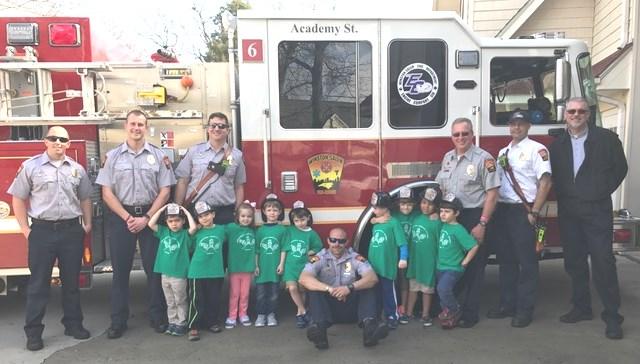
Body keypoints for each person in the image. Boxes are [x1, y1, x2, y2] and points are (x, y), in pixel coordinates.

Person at [549, 97, 628, 339]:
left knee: (603, 262)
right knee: (574, 262)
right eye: (571, 111)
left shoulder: (606, 139)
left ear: (588, 114)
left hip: (596, 209)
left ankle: (612, 316)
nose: (576, 115)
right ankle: (581, 308)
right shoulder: (557, 145)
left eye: (581, 111)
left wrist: (600, 191)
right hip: (569, 211)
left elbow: (620, 168)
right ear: (565, 115)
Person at [8, 126, 93, 351]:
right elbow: (18, 199)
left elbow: (85, 198)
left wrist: (87, 224)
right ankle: (34, 333)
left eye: (62, 139)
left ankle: (74, 325)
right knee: (38, 285)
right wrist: (26, 230)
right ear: (45, 141)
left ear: (68, 143)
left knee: (72, 283)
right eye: (53, 138)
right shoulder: (31, 167)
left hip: (71, 231)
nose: (58, 142)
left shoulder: (77, 170)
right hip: (42, 232)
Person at [96, 109, 176, 339]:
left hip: (150, 218)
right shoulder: (112, 157)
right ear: (126, 126)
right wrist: (127, 217)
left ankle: (158, 316)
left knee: (154, 270)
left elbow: (165, 190)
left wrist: (147, 217)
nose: (136, 128)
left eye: (141, 124)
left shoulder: (159, 156)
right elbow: (106, 192)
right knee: (120, 273)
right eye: (133, 124)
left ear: (146, 127)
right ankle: (118, 321)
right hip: (123, 218)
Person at [488, 110, 552, 328]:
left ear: (528, 126)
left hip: (523, 211)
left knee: (527, 263)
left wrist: (534, 212)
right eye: (513, 124)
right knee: (506, 262)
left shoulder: (537, 150)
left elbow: (545, 182)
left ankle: (524, 310)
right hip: (504, 211)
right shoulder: (503, 151)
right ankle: (507, 305)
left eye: (521, 124)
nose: (516, 128)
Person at [435, 117, 500, 328]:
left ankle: (470, 314)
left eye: (465, 133)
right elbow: (440, 189)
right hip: (454, 218)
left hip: (474, 216)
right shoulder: (448, 158)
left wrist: (482, 223)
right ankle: (451, 308)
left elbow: (492, 194)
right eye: (456, 134)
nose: (461, 138)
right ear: (451, 137)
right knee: (454, 264)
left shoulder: (484, 159)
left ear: (472, 135)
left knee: (475, 267)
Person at [299, 227, 389, 349]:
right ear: (328, 241)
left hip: (352, 309)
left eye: (341, 241)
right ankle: (319, 334)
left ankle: (370, 330)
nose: (337, 244)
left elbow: (372, 278)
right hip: (328, 311)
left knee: (368, 286)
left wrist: (349, 288)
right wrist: (329, 289)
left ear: (346, 242)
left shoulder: (355, 257)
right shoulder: (319, 258)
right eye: (333, 240)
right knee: (314, 289)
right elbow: (304, 278)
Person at [174, 112, 246, 224]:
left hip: (225, 212)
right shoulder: (194, 151)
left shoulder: (236, 155)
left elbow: (239, 186)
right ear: (208, 129)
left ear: (228, 130)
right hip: (197, 211)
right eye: (213, 126)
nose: (217, 129)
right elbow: (183, 181)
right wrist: (178, 209)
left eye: (221, 126)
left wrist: (237, 211)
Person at [148, 203, 197, 337]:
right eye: (170, 221)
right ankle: (172, 322)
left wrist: (186, 212)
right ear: (166, 222)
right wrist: (162, 209)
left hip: (179, 274)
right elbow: (150, 224)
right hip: (165, 274)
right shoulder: (164, 232)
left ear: (183, 221)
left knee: (180, 299)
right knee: (170, 300)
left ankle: (181, 322)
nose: (174, 224)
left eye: (177, 221)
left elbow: (193, 228)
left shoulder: (185, 235)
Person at [277, 200, 322, 328]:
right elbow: (284, 248)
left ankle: (299, 314)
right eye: (296, 221)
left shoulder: (311, 233)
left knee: (302, 290)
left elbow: (318, 247)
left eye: (302, 220)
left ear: (308, 218)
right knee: (292, 288)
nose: (299, 223)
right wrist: (281, 264)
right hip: (290, 266)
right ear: (293, 220)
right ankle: (303, 310)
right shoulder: (289, 231)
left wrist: (311, 252)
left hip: (304, 266)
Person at [436, 194, 479, 329]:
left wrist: (465, 261)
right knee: (442, 293)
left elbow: (473, 246)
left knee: (443, 289)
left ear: (457, 213)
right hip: (441, 266)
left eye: (447, 212)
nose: (443, 214)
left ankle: (454, 309)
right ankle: (449, 317)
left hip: (453, 268)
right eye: (441, 211)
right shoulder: (444, 226)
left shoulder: (458, 229)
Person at [367, 191, 408, 329]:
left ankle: (393, 316)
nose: (374, 210)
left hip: (387, 266)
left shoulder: (394, 223)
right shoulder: (376, 222)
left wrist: (403, 258)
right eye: (373, 207)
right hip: (374, 266)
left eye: (376, 207)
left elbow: (402, 243)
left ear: (385, 208)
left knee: (389, 292)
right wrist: (376, 220)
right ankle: (377, 315)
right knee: (376, 293)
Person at [186, 201, 227, 341]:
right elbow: (188, 247)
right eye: (200, 216)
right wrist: (192, 228)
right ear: (197, 219)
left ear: (213, 214)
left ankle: (212, 322)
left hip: (215, 271)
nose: (205, 218)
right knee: (196, 300)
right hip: (197, 271)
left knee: (213, 299)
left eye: (207, 214)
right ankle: (193, 326)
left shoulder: (222, 230)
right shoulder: (196, 232)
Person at [405, 187, 442, 327]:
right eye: (423, 202)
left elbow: (439, 244)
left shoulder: (437, 222)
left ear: (436, 207)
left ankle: (426, 315)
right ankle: (408, 312)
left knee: (427, 289)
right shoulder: (416, 218)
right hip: (415, 261)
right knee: (413, 288)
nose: (426, 206)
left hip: (429, 262)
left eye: (430, 204)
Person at [254, 194, 287, 327]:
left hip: (274, 267)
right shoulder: (260, 230)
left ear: (280, 212)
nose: (272, 213)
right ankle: (261, 315)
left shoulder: (282, 230)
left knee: (274, 294)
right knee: (260, 294)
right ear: (264, 212)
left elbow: (284, 248)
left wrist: (281, 264)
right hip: (262, 268)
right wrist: (256, 265)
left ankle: (271, 314)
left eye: (275, 210)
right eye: (269, 210)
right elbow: (256, 250)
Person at [225, 201, 257, 329]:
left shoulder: (254, 231)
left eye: (249, 216)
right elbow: (217, 232)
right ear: (237, 216)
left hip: (248, 268)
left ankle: (243, 314)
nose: (246, 219)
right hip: (234, 267)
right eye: (243, 216)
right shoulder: (231, 228)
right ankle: (232, 316)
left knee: (245, 294)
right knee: (234, 293)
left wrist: (256, 265)